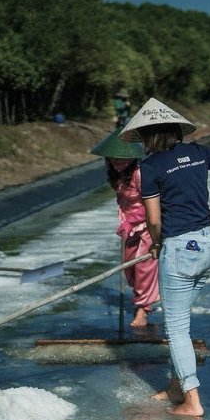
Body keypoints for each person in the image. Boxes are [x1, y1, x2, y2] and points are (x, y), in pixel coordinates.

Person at [120, 97, 210, 417]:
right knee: (182, 321)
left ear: (147, 136)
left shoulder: (151, 166)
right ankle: (175, 386)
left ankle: (192, 401)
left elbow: (154, 220)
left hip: (180, 250)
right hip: (208, 245)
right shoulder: (197, 152)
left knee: (177, 329)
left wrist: (156, 244)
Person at [90, 127, 159, 327]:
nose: (116, 163)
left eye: (121, 159)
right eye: (112, 159)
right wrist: (124, 222)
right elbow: (123, 201)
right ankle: (141, 299)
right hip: (129, 224)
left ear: (131, 158)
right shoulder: (116, 176)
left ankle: (142, 311)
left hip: (148, 224)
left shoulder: (140, 174)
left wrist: (154, 229)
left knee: (143, 265)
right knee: (128, 267)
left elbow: (154, 203)